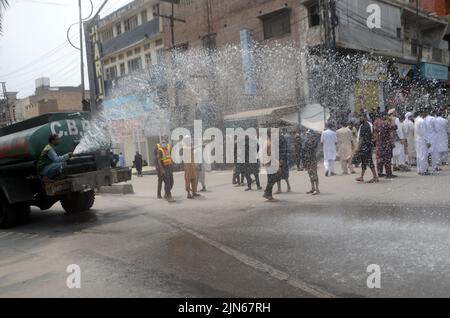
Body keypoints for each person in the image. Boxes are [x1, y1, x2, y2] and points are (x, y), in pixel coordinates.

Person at [355, 115, 378, 183]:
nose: (359, 118)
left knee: (369, 161)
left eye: (361, 117)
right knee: (364, 162)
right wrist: (372, 142)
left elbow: (362, 138)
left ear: (365, 118)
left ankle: (375, 177)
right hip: (367, 146)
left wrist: (358, 148)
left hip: (364, 147)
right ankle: (361, 177)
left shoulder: (365, 126)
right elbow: (374, 134)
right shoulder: (368, 125)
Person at [374, 112, 397, 179]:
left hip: (379, 143)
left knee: (380, 158)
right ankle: (388, 173)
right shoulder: (385, 123)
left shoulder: (376, 122)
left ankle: (379, 172)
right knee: (387, 158)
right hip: (386, 144)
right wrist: (392, 121)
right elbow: (395, 127)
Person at [263, 131, 283, 201]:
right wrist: (276, 164)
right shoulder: (269, 143)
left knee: (270, 180)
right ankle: (267, 193)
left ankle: (269, 195)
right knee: (273, 179)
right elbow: (269, 155)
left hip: (268, 163)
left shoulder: (267, 142)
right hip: (270, 164)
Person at [156, 137, 175, 202]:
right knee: (167, 182)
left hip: (169, 168)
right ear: (161, 144)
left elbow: (169, 158)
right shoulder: (159, 150)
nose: (164, 144)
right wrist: (162, 169)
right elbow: (159, 161)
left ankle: (166, 193)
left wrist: (172, 166)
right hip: (163, 169)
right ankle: (168, 196)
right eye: (163, 143)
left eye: (165, 143)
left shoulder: (167, 149)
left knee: (171, 182)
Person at [303, 129, 321, 195]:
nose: (307, 135)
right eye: (307, 134)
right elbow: (304, 150)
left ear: (312, 135)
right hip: (307, 159)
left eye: (308, 134)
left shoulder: (314, 141)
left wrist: (308, 145)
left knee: (314, 174)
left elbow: (313, 148)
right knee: (310, 173)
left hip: (313, 159)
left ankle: (317, 189)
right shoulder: (306, 141)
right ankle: (312, 188)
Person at [415, 109, 431, 175]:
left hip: (418, 139)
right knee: (423, 155)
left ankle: (419, 169)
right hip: (422, 140)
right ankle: (424, 170)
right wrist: (428, 141)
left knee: (419, 155)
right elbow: (424, 133)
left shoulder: (416, 120)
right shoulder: (422, 121)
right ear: (423, 113)